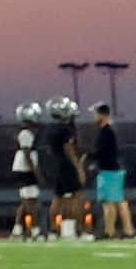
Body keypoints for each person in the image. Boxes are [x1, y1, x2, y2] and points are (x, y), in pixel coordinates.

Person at [43, 97, 86, 239]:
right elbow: (68, 149)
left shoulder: (50, 129)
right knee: (76, 197)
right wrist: (78, 167)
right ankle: (76, 230)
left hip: (56, 165)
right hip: (67, 166)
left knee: (58, 198)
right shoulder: (65, 130)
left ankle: (54, 230)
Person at [90, 104, 128, 241]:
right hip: (111, 169)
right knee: (114, 201)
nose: (94, 117)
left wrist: (89, 157)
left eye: (95, 114)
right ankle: (113, 230)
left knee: (113, 201)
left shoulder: (107, 130)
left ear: (102, 114)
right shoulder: (109, 129)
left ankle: (119, 231)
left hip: (110, 170)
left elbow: (103, 151)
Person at [11, 102, 44, 239]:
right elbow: (27, 153)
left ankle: (17, 230)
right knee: (32, 202)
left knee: (25, 202)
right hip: (26, 170)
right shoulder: (26, 133)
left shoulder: (25, 132)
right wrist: (36, 172)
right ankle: (36, 230)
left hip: (23, 169)